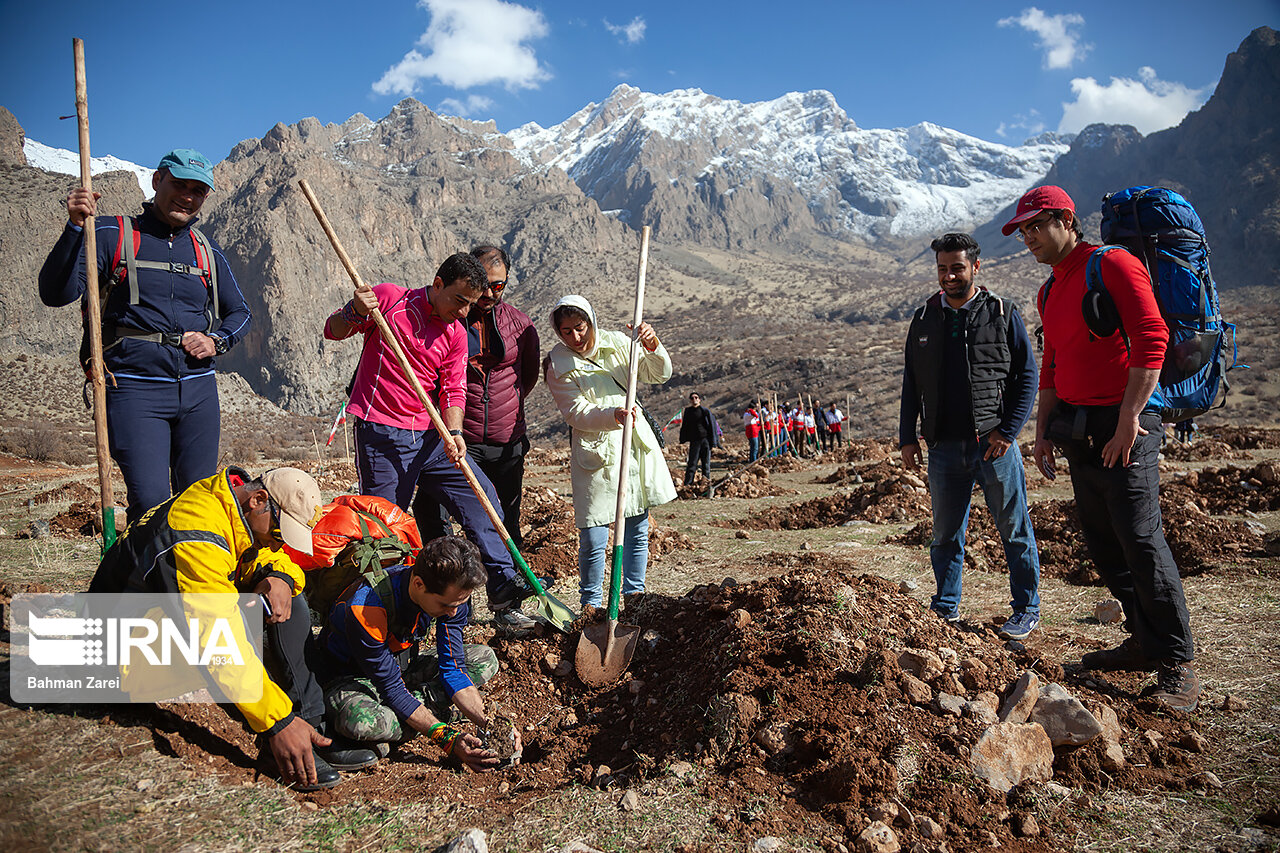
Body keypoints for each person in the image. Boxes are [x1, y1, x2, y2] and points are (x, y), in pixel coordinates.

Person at [1008, 185, 1199, 711]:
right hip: (1079, 431)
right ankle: (1144, 638)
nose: (1028, 238)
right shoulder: (1049, 291)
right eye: (1022, 230)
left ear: (1066, 221)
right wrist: (1042, 430)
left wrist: (1129, 419)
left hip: (1127, 427)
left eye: (1036, 226)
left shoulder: (1112, 264)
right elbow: (1052, 364)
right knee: (1103, 542)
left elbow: (1152, 337)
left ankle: (1177, 664)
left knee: (1140, 539)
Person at [88, 466, 376, 791]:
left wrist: (279, 576)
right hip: (116, 662)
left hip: (150, 631)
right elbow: (218, 641)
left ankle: (310, 728)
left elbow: (267, 556)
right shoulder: (195, 532)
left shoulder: (228, 506)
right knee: (238, 621)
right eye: (281, 533)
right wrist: (276, 722)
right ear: (259, 500)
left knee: (286, 598)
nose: (280, 542)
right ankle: (279, 741)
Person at [323, 253, 545, 631]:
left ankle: (505, 592)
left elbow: (454, 390)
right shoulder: (389, 300)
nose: (463, 312)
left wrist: (454, 432)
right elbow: (333, 330)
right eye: (459, 300)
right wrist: (354, 310)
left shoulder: (457, 334)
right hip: (381, 432)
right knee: (386, 526)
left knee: (482, 497)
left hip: (432, 434)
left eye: (470, 305)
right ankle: (391, 614)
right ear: (438, 283)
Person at [38, 149, 251, 523]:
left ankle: (198, 579)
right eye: (179, 184)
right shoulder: (109, 234)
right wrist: (74, 227)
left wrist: (215, 340)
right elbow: (55, 295)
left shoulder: (206, 250)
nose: (187, 196)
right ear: (157, 181)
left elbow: (240, 313)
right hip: (134, 390)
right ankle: (152, 580)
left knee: (199, 505)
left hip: (199, 393)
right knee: (151, 506)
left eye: (198, 190)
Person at [899, 232, 1041, 640]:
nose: (948, 276)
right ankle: (945, 609)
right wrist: (908, 437)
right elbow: (912, 381)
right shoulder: (924, 317)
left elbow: (1027, 377)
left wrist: (1008, 431)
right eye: (942, 269)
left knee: (1014, 529)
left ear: (975, 267)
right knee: (944, 534)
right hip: (943, 447)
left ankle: (1026, 610)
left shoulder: (1002, 312)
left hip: (993, 445)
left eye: (957, 268)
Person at [310, 536, 516, 771]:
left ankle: (410, 722)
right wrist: (448, 739)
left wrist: (490, 726)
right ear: (419, 584)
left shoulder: (453, 597)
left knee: (484, 659)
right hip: (351, 681)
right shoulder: (366, 608)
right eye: (446, 605)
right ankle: (430, 716)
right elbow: (392, 690)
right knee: (360, 721)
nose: (454, 612)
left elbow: (454, 668)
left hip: (402, 670)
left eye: (462, 603)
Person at [545, 295, 677, 608]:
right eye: (566, 332)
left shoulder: (618, 343)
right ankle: (590, 604)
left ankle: (633, 597)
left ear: (591, 321)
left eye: (580, 328)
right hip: (596, 453)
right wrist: (612, 415)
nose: (575, 337)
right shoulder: (558, 363)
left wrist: (651, 344)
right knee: (593, 535)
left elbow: (657, 374)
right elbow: (574, 411)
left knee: (637, 525)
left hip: (631, 447)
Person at [414, 246, 540, 553]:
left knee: (506, 518)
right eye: (484, 284)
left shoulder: (520, 326)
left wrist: (503, 408)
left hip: (506, 443)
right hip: (456, 442)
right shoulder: (448, 322)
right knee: (431, 511)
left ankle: (510, 585)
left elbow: (528, 377)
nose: (490, 292)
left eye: (499, 285)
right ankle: (445, 577)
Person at [679, 392, 715, 486]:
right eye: (692, 398)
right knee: (692, 463)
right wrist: (682, 439)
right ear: (690, 400)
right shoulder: (688, 411)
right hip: (694, 441)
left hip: (705, 440)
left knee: (706, 464)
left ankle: (705, 484)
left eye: (696, 397)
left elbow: (711, 426)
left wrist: (713, 442)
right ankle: (688, 484)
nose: (694, 399)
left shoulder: (705, 411)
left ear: (699, 399)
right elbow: (685, 425)